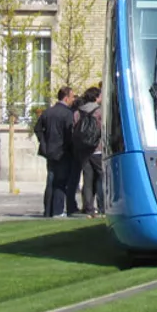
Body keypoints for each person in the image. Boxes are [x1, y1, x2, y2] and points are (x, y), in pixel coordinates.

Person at [34, 86, 76, 218]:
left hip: (50, 151)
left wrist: (44, 143)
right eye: (72, 97)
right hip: (62, 152)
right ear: (66, 98)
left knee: (51, 181)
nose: (73, 100)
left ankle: (48, 210)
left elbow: (38, 129)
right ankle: (57, 210)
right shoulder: (67, 114)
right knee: (60, 182)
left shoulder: (48, 112)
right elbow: (70, 133)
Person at [75, 86, 105, 218]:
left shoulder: (78, 112)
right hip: (97, 148)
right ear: (96, 97)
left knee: (87, 179)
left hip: (83, 150)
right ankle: (102, 206)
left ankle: (88, 207)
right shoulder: (100, 111)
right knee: (101, 177)